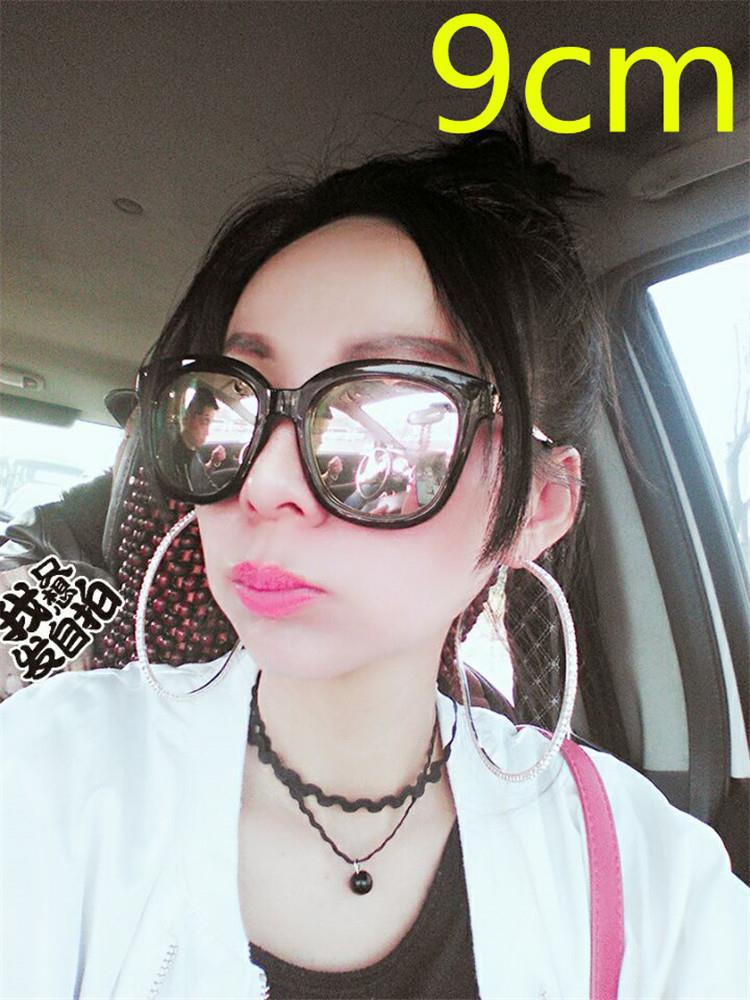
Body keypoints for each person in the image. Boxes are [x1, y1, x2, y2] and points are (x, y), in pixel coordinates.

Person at [1, 125, 747, 1000]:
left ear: (536, 509)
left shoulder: (650, 880)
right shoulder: (45, 774)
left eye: (387, 422)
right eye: (230, 407)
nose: (264, 481)